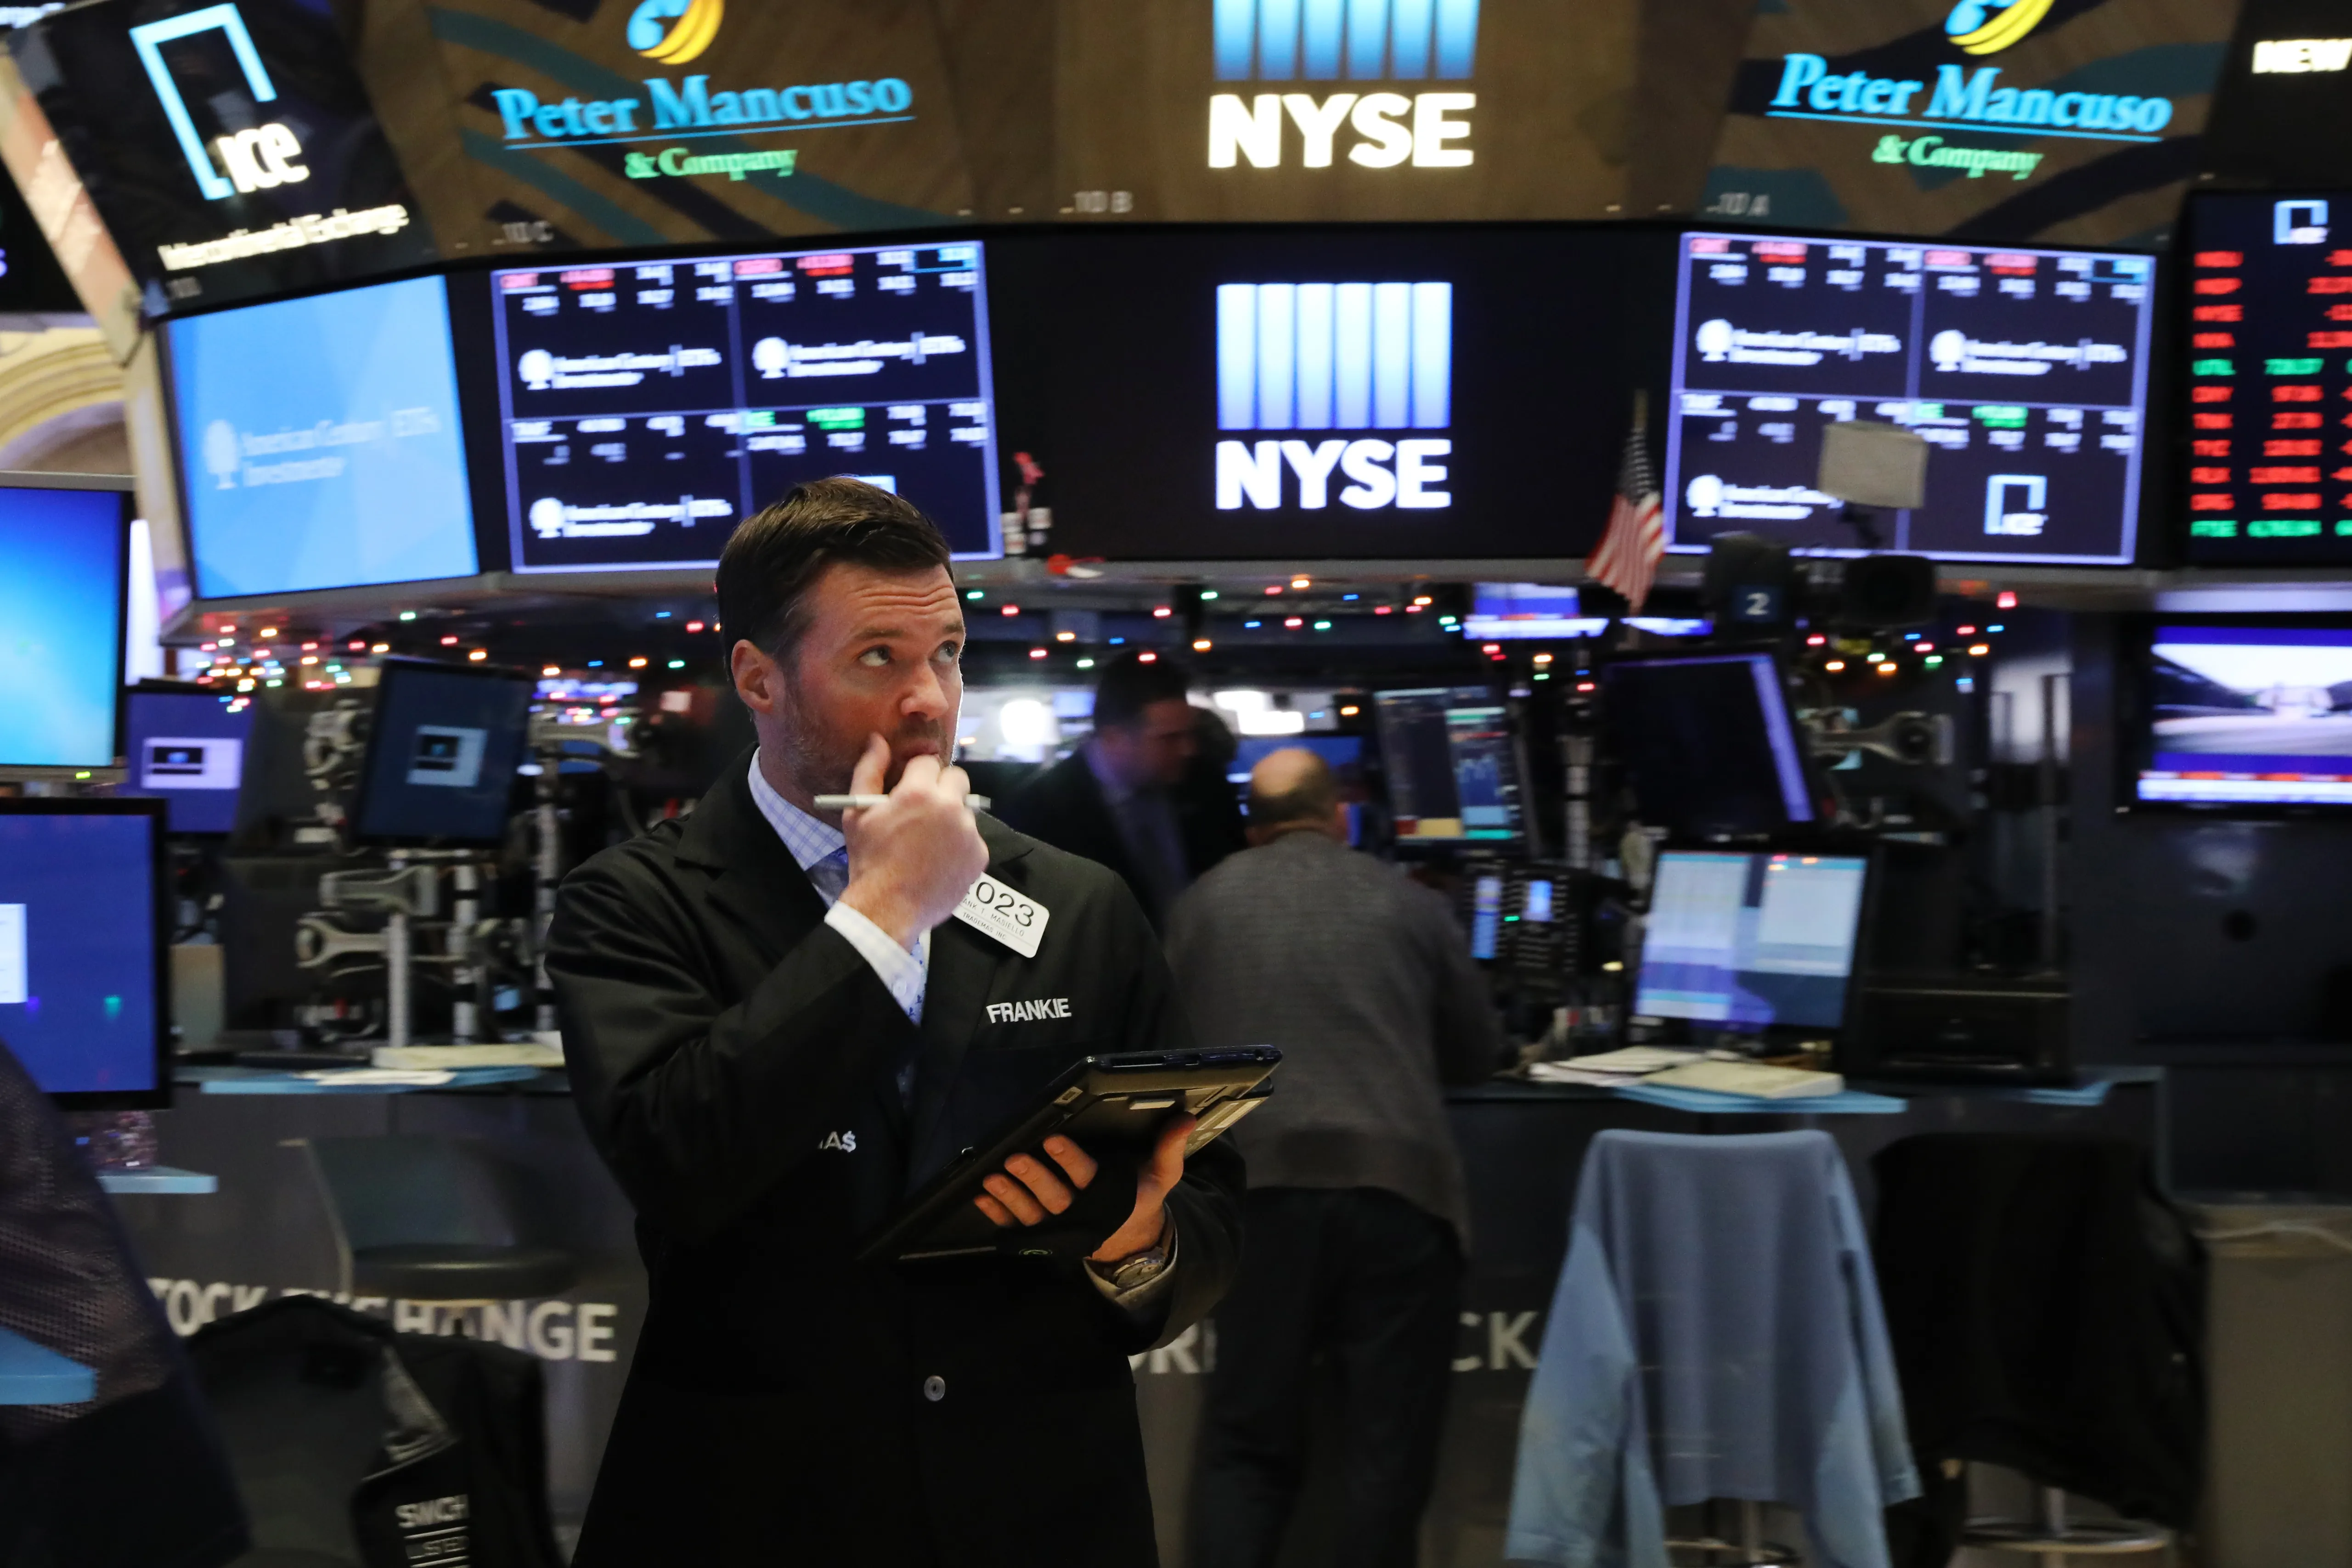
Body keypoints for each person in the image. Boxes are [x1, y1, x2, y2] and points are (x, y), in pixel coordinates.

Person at [547, 478, 1243, 1566]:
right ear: (759, 678)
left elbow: (1208, 1208)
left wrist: (1141, 1236)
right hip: (759, 1504)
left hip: (1037, 1503)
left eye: (950, 653)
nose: (929, 697)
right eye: (879, 657)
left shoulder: (1078, 903)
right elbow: (682, 1156)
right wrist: (882, 912)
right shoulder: (637, 901)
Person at [1167, 747, 1506, 1568]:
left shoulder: (1197, 907)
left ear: (1254, 825)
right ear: (1341, 815)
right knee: (1383, 1459)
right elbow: (1477, 1054)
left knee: (1247, 1447)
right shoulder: (1408, 904)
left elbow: (1160, 1058)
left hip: (1257, 1198)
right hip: (1399, 1195)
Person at [998, 652, 1244, 929]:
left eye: (1188, 735)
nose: (1188, 750)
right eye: (1169, 739)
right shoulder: (1038, 812)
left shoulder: (1205, 786)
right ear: (1114, 739)